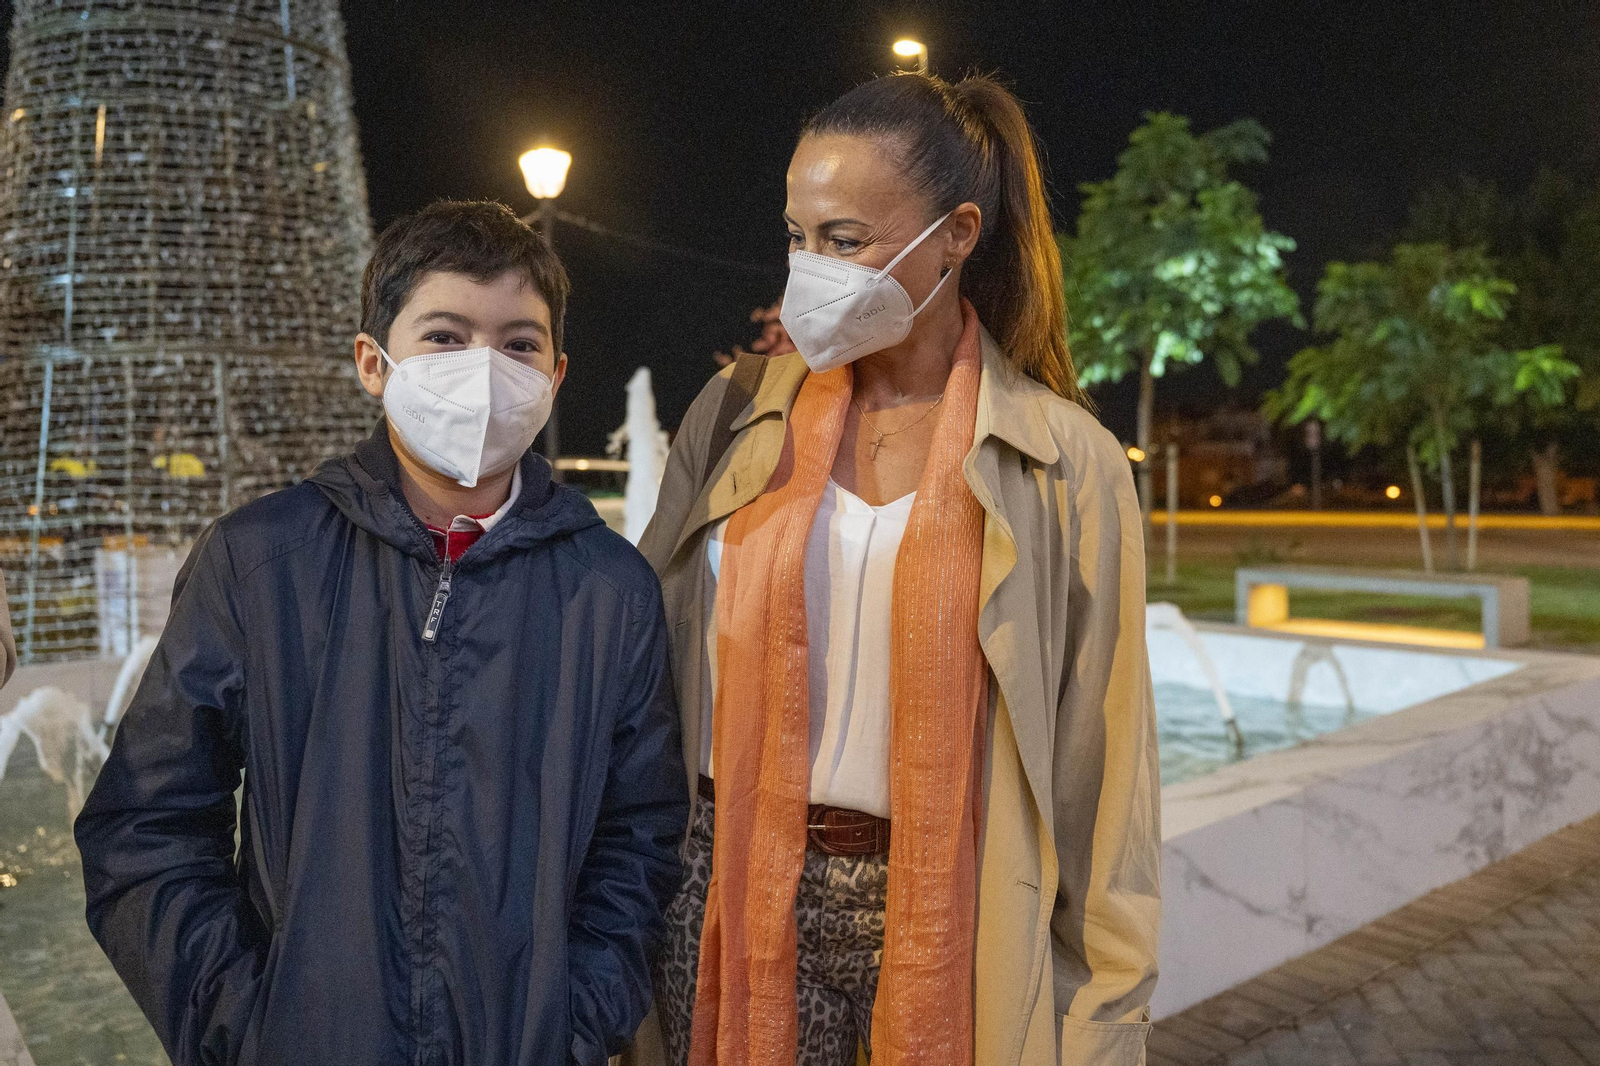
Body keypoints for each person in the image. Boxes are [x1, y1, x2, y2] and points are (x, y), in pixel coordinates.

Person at [75, 200, 688, 1066]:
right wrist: (245, 1028)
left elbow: (641, 839)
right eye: (444, 336)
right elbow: (147, 825)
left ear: (554, 375)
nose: (484, 370)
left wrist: (574, 1023)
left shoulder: (610, 589)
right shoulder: (259, 561)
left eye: (518, 344)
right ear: (373, 362)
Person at [635, 74, 1160, 1066]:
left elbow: (1105, 771)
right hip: (732, 880)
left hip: (953, 905)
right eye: (797, 237)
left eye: (845, 240)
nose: (810, 270)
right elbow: (644, 668)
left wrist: (1106, 1020)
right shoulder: (736, 411)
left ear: (956, 234)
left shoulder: (1067, 461)